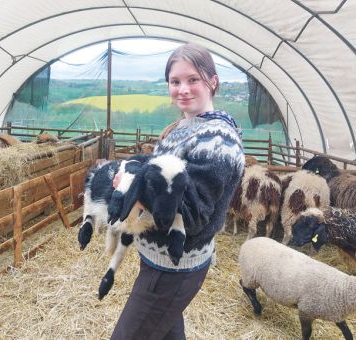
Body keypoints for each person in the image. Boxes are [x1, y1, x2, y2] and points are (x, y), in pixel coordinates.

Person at [111, 43, 245, 340]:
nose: (182, 89)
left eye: (192, 79)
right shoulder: (185, 126)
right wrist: (131, 168)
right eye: (175, 82)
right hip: (159, 258)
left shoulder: (217, 139)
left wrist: (131, 187)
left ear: (213, 82)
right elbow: (160, 172)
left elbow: (193, 214)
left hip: (173, 267)